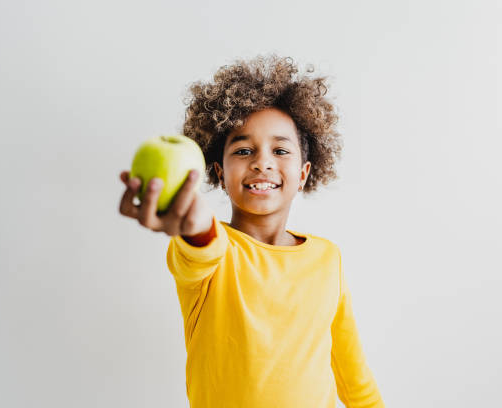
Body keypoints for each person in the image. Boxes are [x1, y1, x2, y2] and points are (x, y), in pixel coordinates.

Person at [119, 55, 385, 408]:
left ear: (304, 173)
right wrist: (189, 214)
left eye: (280, 150)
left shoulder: (327, 259)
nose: (262, 162)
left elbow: (354, 376)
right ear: (219, 171)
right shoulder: (213, 253)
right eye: (243, 150)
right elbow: (201, 239)